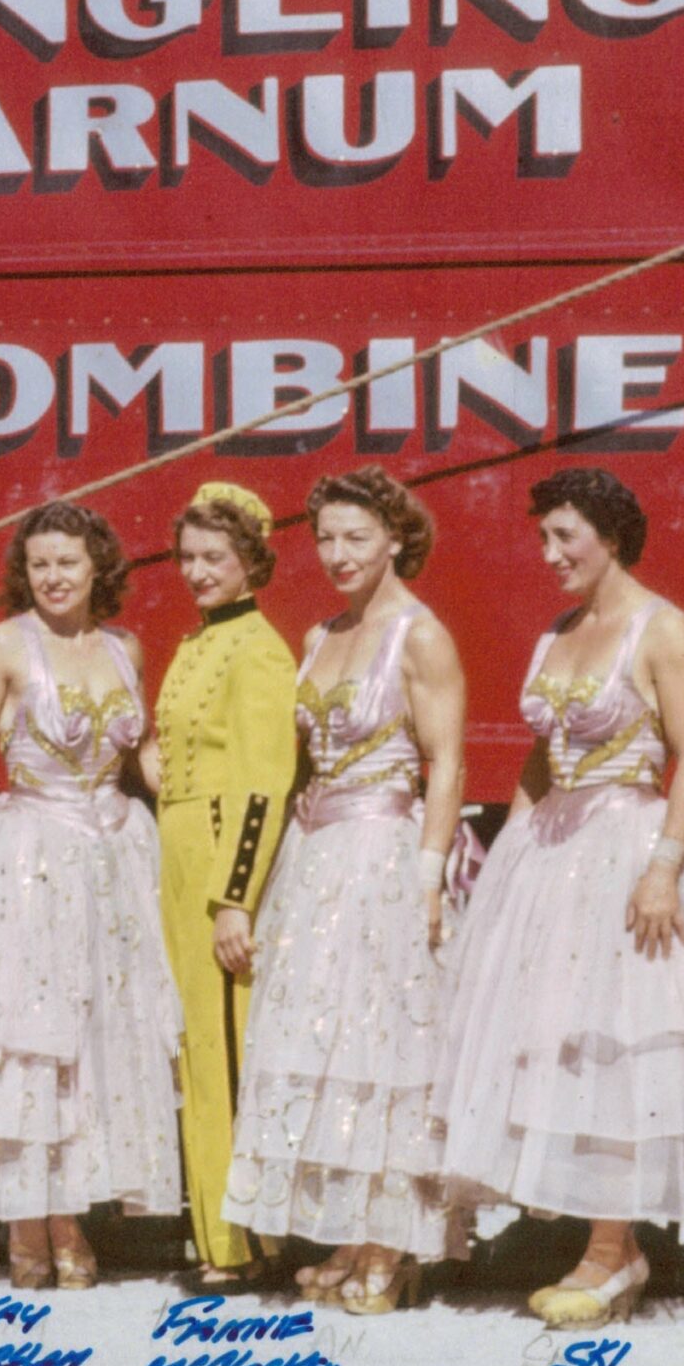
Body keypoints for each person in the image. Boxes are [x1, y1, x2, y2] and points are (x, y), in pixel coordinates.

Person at [438, 470, 684, 1325]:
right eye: (542, 539)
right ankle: (606, 1247)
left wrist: (665, 866)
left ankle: (610, 1254)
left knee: (618, 1048)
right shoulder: (555, 634)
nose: (550, 556)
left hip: (626, 846)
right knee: (555, 1045)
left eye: (565, 537)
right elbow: (541, 758)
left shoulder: (664, 630)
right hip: (549, 853)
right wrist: (508, 851)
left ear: (611, 536)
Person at [0, 502, 181, 1286]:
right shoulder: (0, 647)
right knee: (27, 1044)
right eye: (40, 564)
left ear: (99, 569)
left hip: (112, 859)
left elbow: (144, 753)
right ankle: (28, 1224)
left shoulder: (126, 647)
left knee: (94, 1044)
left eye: (69, 563)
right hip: (27, 855)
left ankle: (73, 1215)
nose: (54, 578)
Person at [223, 467, 466, 1315]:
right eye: (325, 538)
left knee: (384, 1046)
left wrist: (429, 878)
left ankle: (390, 1243)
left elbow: (447, 766)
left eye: (357, 537)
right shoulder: (320, 635)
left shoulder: (420, 634)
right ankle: (351, 1231)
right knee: (323, 1041)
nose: (338, 554)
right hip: (314, 855)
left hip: (385, 852)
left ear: (395, 537)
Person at [151, 483, 299, 1292]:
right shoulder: (198, 642)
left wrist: (234, 896)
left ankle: (239, 1243)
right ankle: (219, 1233)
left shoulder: (261, 650)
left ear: (251, 563)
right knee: (195, 1051)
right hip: (179, 849)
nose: (198, 572)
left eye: (216, 558)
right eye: (188, 557)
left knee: (225, 1050)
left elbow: (262, 785)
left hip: (217, 857)